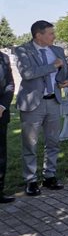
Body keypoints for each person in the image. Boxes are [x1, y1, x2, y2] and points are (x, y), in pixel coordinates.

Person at [15, 20, 68, 195]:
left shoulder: (57, 50)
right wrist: (52, 66)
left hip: (53, 101)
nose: (54, 36)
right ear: (38, 35)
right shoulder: (23, 50)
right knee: (30, 144)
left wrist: (66, 79)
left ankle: (50, 175)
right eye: (50, 33)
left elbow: (67, 70)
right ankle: (30, 180)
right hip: (33, 103)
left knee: (53, 141)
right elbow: (27, 73)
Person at [0, 51, 15, 203]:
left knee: (1, 154)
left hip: (1, 113)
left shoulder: (3, 58)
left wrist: (2, 105)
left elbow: (10, 84)